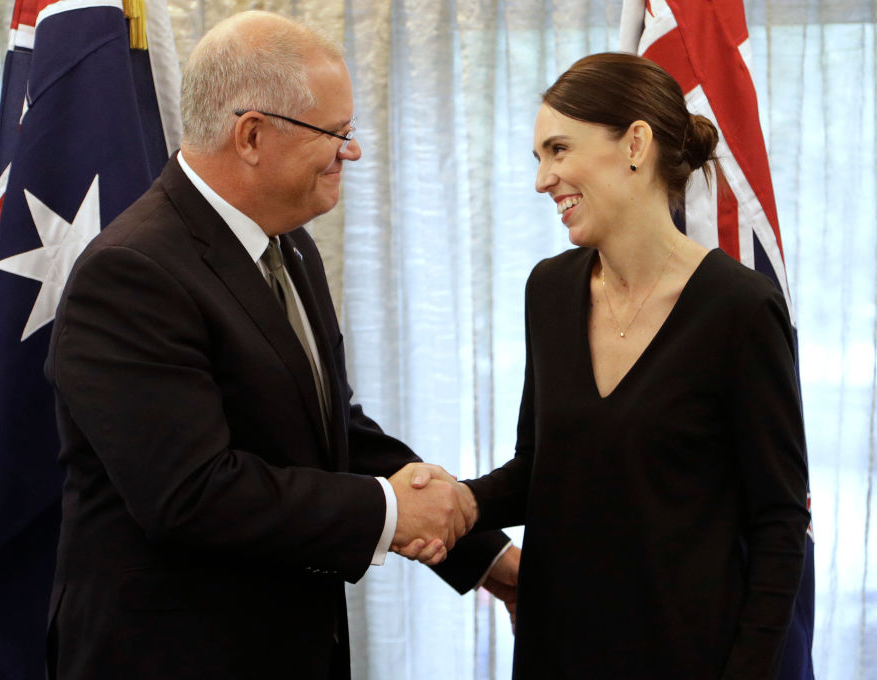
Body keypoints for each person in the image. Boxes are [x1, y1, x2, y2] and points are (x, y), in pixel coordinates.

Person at [43, 10, 513, 680]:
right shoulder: (133, 272)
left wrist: (486, 556)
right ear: (254, 135)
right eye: (338, 134)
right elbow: (193, 493)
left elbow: (331, 433)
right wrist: (391, 509)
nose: (349, 153)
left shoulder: (289, 248)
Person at [460, 52, 811, 678]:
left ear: (636, 144)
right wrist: (444, 505)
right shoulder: (548, 289)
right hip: (556, 651)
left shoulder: (741, 307)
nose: (543, 179)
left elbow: (779, 521)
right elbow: (538, 469)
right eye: (539, 157)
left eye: (558, 150)